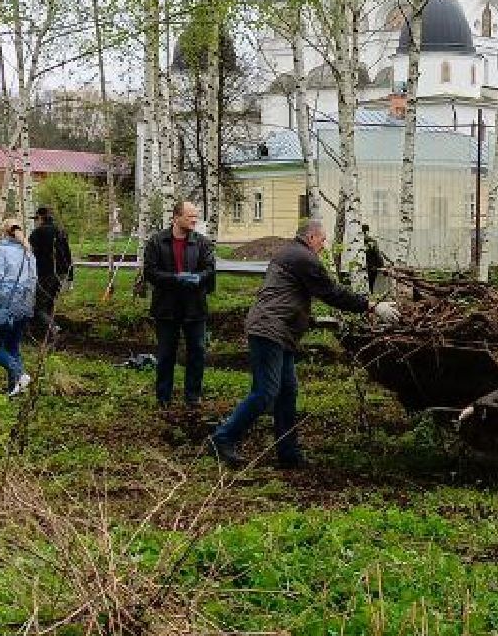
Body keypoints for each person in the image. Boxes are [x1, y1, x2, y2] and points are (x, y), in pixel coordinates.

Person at [210, 219, 397, 470]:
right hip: (269, 330)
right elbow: (331, 292)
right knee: (266, 392)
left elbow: (287, 293)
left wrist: (308, 318)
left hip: (279, 331)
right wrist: (371, 306)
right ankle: (223, 438)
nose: (324, 245)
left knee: (287, 392)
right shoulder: (304, 258)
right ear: (310, 238)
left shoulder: (289, 253)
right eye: (322, 240)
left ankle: (288, 453)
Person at [141, 200, 216, 409]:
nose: (194, 220)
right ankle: (163, 398)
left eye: (196, 216)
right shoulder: (157, 242)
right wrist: (175, 278)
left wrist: (198, 278)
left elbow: (210, 269)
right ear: (176, 218)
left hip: (195, 306)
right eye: (190, 216)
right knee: (166, 353)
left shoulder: (202, 243)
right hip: (166, 306)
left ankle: (193, 397)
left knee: (197, 352)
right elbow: (150, 272)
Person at [0, 220, 38, 396]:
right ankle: (14, 389)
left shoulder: (0, 251)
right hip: (24, 305)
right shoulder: (28, 253)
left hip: (4, 305)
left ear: (3, 232)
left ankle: (20, 374)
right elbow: (33, 280)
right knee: (13, 346)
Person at [28, 206, 74, 341]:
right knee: (50, 303)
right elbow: (67, 254)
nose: (36, 222)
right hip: (61, 273)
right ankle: (48, 335)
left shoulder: (37, 233)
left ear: (41, 218)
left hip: (45, 273)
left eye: (36, 219)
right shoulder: (60, 231)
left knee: (38, 307)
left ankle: (54, 329)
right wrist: (70, 275)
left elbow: (29, 254)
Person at [362, 226, 388, 296]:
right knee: (370, 283)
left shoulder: (371, 242)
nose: (365, 234)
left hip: (372, 266)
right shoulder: (369, 241)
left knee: (371, 282)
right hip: (370, 266)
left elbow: (377, 254)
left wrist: (379, 266)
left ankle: (370, 294)